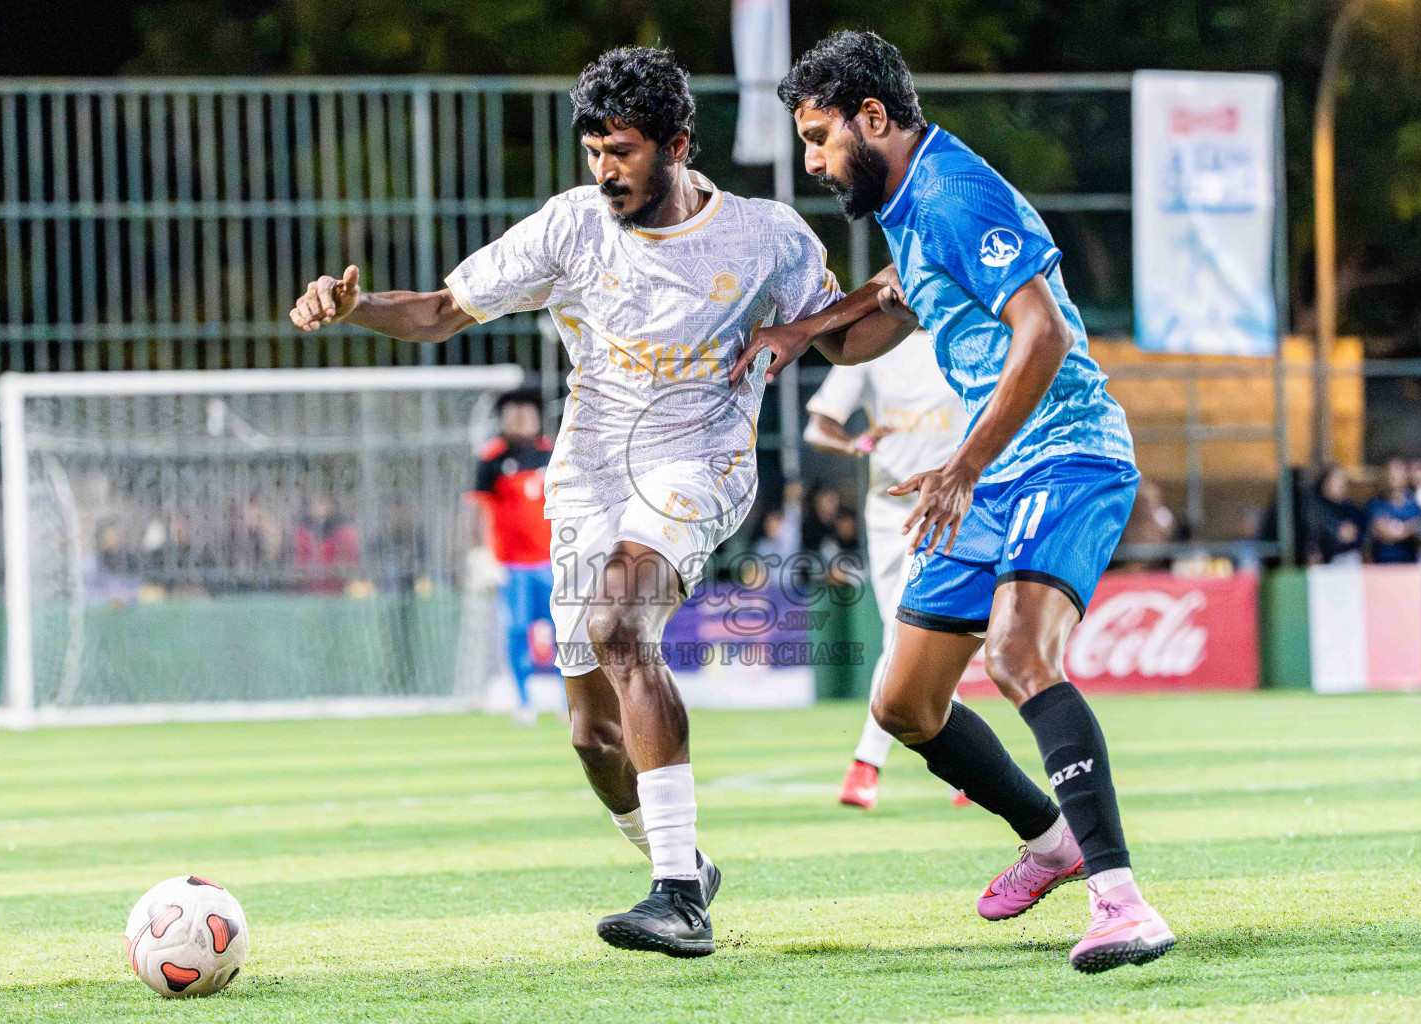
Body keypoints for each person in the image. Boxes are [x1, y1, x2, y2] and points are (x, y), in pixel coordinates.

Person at [289, 47, 910, 957]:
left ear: (677, 144)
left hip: (700, 459)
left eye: (620, 150)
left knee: (624, 625)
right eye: (593, 152)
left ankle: (674, 900)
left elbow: (848, 344)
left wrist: (915, 286)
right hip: (590, 471)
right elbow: (440, 311)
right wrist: (353, 308)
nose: (604, 170)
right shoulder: (571, 227)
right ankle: (684, 865)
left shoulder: (765, 236)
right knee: (588, 732)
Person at [735, 31, 1171, 973]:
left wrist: (964, 465)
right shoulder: (906, 203)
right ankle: (1048, 837)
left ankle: (1121, 900)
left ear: (875, 119)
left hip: (1064, 455)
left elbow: (1045, 332)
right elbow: (892, 302)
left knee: (1019, 655)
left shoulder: (952, 192)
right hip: (994, 471)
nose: (811, 161)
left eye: (818, 137)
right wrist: (798, 332)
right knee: (903, 704)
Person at [804, 329, 973, 810]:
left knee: (905, 634)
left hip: (946, 508)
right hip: (885, 511)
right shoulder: (871, 350)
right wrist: (858, 445)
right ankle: (968, 767)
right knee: (914, 638)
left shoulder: (963, 335)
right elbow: (818, 426)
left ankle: (865, 764)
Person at [470, 388, 557, 723]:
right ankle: (524, 702)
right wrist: (484, 556)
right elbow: (480, 511)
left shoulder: (553, 453)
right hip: (512, 565)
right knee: (517, 630)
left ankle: (573, 702)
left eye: (527, 410)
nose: (521, 418)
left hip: (552, 562)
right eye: (513, 411)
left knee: (564, 631)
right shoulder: (491, 458)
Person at [1303, 463, 1364, 565]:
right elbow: (1312, 537)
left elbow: (1361, 535)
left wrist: (1355, 534)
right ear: (1324, 482)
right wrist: (1336, 534)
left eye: (1343, 480)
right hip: (1322, 563)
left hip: (1347, 560)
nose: (1342, 485)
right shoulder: (1312, 506)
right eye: (1337, 479)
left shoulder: (1350, 508)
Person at [1365, 458, 1421, 564]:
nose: (1393, 477)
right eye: (1390, 473)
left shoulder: (1415, 503)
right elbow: (1384, 533)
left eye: (1398, 472)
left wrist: (1400, 528)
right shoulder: (1375, 505)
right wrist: (1410, 527)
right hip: (1382, 567)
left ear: (1405, 476)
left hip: (1410, 567)